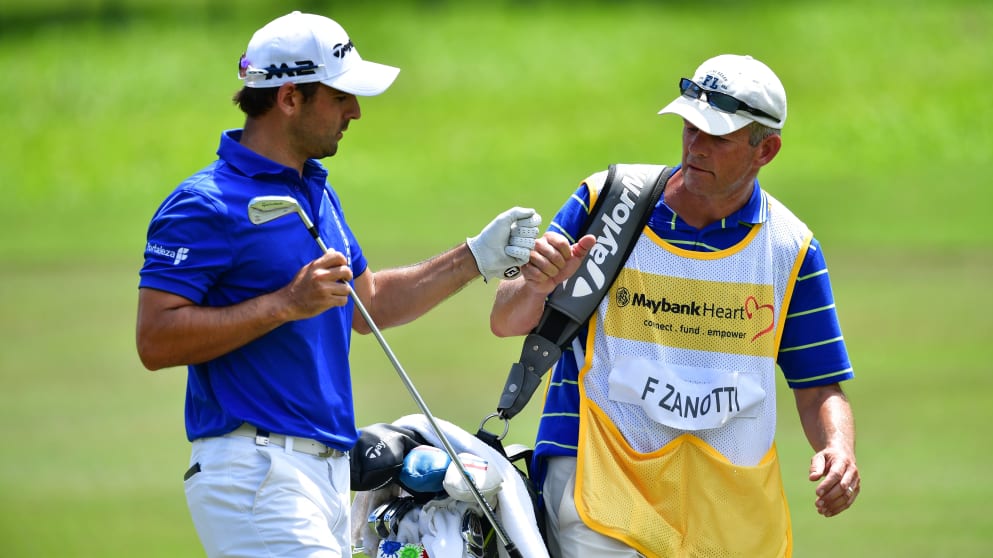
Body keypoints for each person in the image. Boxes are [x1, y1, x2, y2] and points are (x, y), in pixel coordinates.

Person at [135, 11, 540, 558]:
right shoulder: (204, 203)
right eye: (340, 95)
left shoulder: (316, 194)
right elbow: (155, 339)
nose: (355, 110)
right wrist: (285, 304)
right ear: (288, 98)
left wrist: (473, 258)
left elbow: (367, 304)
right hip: (256, 471)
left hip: (327, 476)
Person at [490, 54, 860, 557]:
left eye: (718, 136)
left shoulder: (789, 249)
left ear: (765, 150)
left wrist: (838, 449)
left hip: (725, 503)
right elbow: (505, 320)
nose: (695, 146)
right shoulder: (607, 200)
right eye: (690, 127)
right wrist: (535, 285)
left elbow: (818, 387)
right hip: (596, 480)